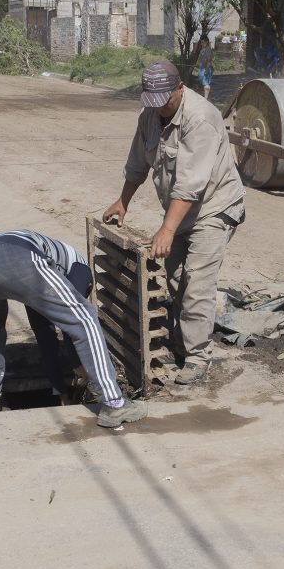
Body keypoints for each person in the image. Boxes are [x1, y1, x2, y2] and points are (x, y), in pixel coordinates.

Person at [103, 61, 246, 386]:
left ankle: (197, 359)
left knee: (196, 282)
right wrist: (122, 202)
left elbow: (190, 185)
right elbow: (137, 164)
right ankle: (183, 344)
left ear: (180, 88)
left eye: (163, 102)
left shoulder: (201, 118)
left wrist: (166, 229)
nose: (157, 109)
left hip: (213, 208)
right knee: (176, 278)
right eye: (151, 103)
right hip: (180, 212)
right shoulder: (150, 117)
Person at [0, 229, 147, 428]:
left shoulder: (45, 269)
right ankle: (114, 403)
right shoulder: (80, 268)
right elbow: (73, 325)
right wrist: (77, 364)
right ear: (90, 284)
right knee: (85, 318)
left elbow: (44, 335)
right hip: (15, 256)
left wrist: (61, 392)